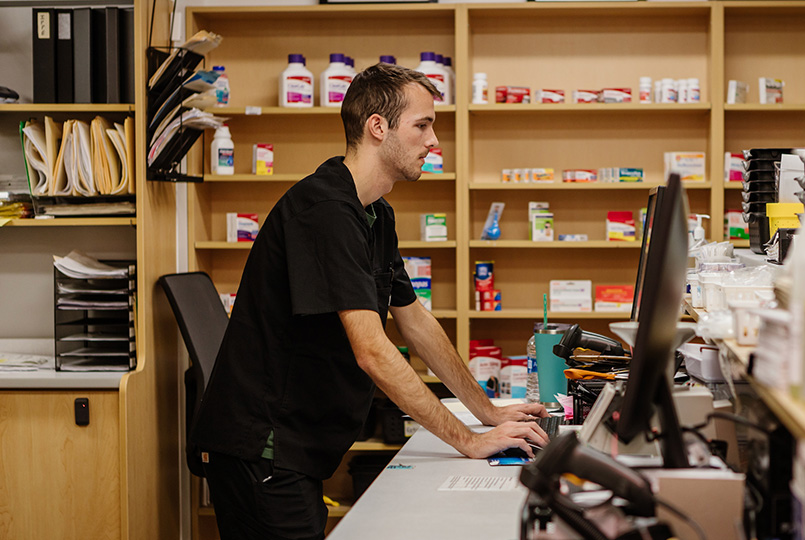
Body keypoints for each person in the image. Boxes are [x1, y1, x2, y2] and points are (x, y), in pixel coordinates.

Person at [190, 63, 549, 540]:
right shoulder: (326, 212)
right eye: (422, 125)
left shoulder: (374, 213)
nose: (434, 140)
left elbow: (415, 321)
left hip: (298, 449)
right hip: (264, 450)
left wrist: (488, 413)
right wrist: (469, 442)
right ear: (377, 127)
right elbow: (373, 350)